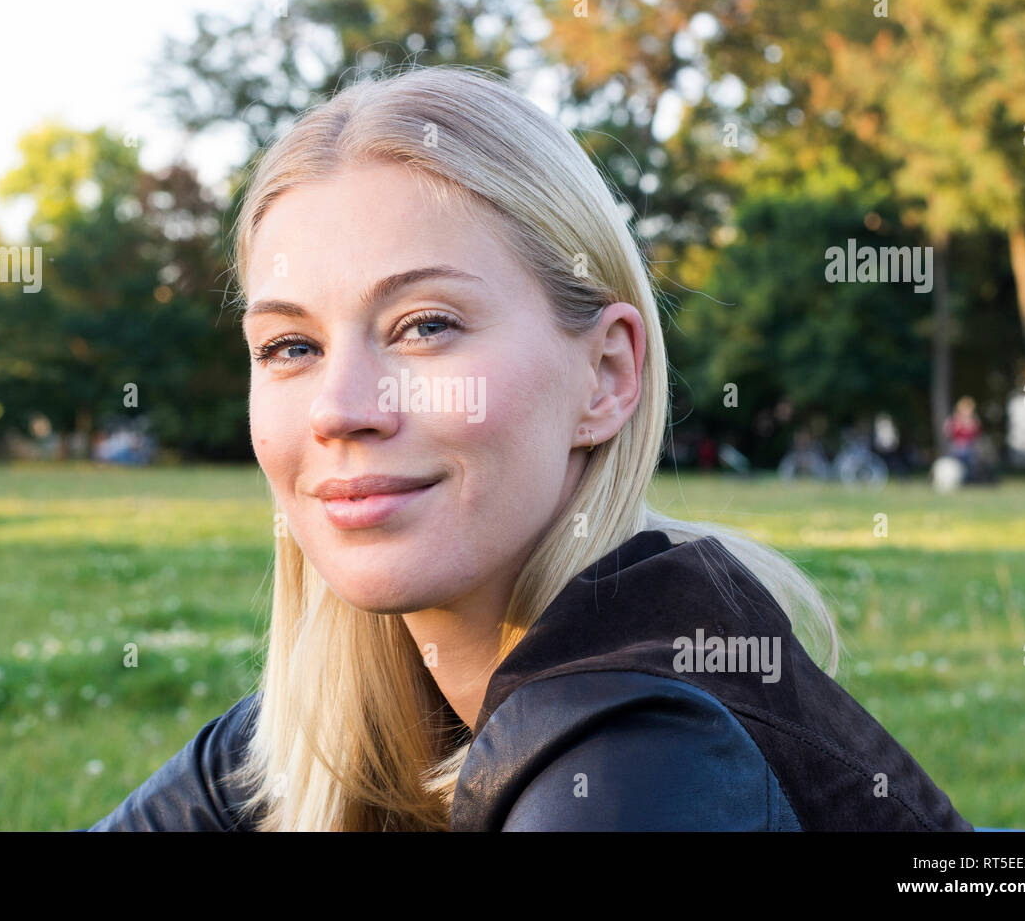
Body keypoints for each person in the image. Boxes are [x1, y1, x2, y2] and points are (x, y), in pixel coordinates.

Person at [88, 65, 972, 831]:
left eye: (426, 326)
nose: (341, 409)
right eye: (291, 347)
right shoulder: (345, 721)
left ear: (606, 377)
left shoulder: (644, 763)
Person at [943, 396, 982, 479]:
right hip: (956, 447)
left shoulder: (974, 421)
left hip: (969, 448)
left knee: (970, 458)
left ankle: (970, 477)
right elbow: (948, 433)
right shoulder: (954, 419)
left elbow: (976, 435)